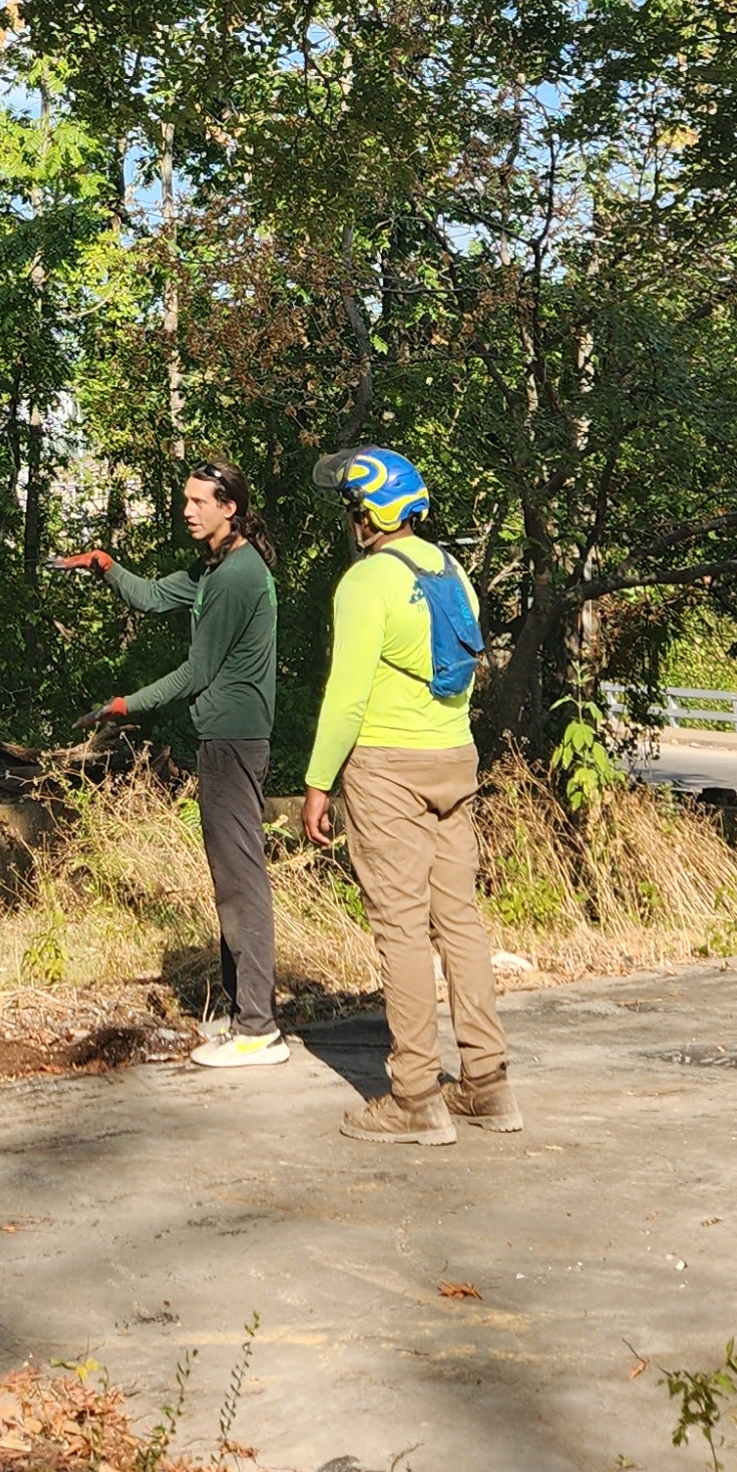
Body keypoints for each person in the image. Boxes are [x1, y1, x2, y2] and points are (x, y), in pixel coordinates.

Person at [297, 446, 519, 1144]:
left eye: (352, 509)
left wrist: (317, 781)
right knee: (460, 920)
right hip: (456, 759)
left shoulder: (367, 582)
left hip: (388, 768)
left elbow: (347, 695)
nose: (350, 521)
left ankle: (415, 1097)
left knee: (400, 927)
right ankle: (487, 1085)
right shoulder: (453, 570)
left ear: (370, 514)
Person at [57, 461, 284, 1066]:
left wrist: (125, 705)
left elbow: (197, 673)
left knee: (241, 881)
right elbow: (153, 596)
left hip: (235, 741)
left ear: (229, 507)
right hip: (225, 739)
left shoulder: (237, 577)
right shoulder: (213, 568)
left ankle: (258, 1029)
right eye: (185, 499)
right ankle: (244, 1016)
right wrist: (105, 565)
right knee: (231, 878)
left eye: (199, 501)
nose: (187, 509)